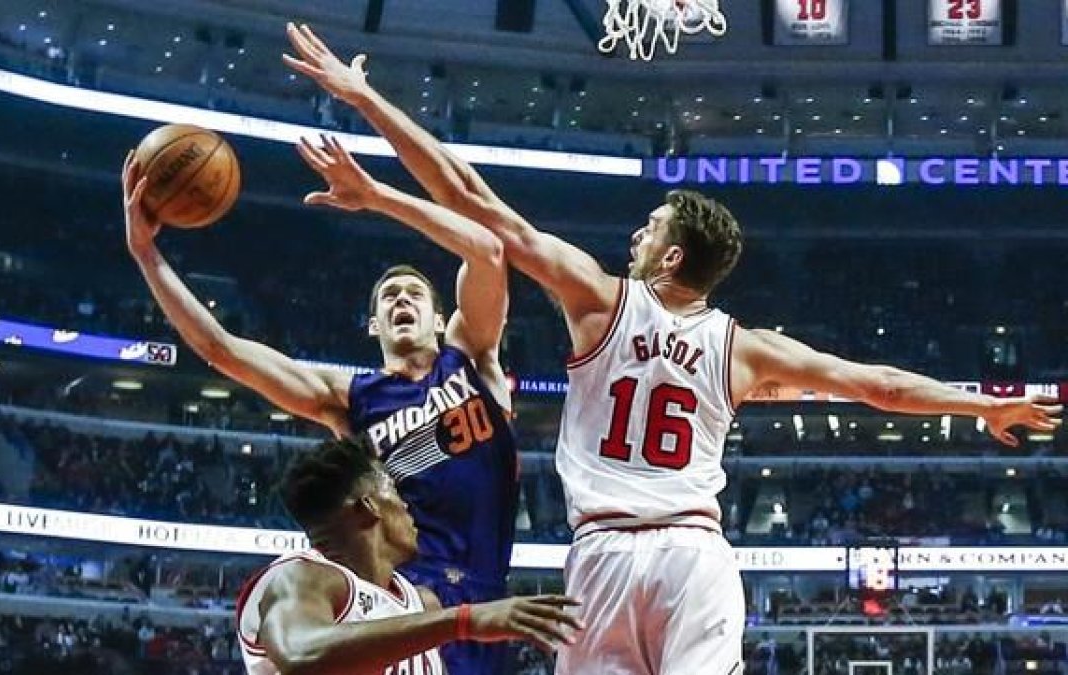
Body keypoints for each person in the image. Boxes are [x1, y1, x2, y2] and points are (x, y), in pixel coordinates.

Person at [281, 23, 1064, 674]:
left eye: (650, 226)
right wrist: (982, 403)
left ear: (672, 257)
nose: (636, 231)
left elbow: (473, 197)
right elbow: (879, 385)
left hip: (604, 562)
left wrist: (365, 102)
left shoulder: (596, 299)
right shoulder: (746, 348)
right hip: (695, 556)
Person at [122, 127, 519, 673]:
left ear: (437, 315)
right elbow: (223, 350)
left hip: (488, 596)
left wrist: (376, 196)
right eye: (389, 297)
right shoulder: (349, 395)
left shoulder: (472, 356)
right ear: (373, 323)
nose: (402, 298)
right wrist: (146, 256)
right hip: (404, 598)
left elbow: (489, 248)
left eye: (415, 294)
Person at [235, 436, 580, 675]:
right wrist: (464, 621)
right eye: (394, 491)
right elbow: (300, 655)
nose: (405, 504)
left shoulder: (422, 605)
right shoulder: (302, 576)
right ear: (369, 506)